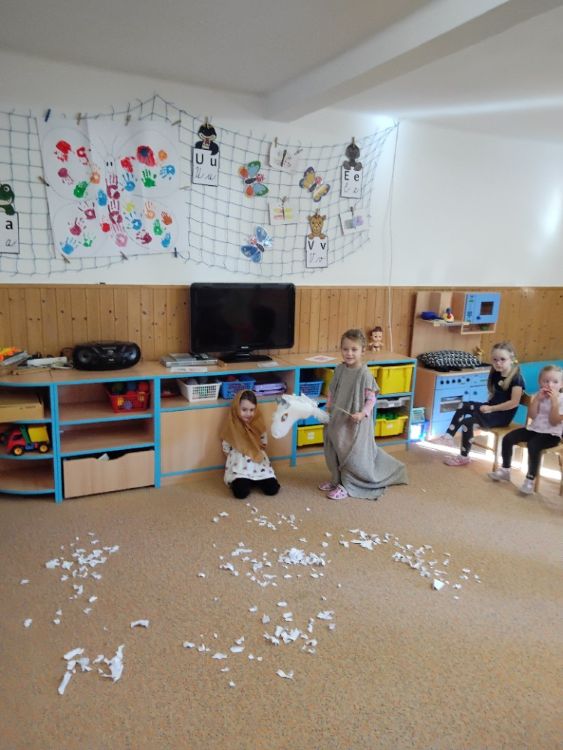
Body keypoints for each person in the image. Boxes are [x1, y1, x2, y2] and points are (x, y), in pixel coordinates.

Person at [319, 328, 408, 500]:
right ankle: (336, 479)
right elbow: (332, 391)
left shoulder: (364, 374)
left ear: (363, 351)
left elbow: (371, 399)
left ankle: (347, 485)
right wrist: (328, 408)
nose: (349, 353)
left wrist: (362, 413)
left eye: (354, 349)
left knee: (350, 454)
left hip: (356, 421)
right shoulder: (339, 369)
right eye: (345, 349)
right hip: (338, 418)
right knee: (334, 449)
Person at [436, 341, 525, 467]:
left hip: (501, 417)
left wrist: (491, 408)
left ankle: (463, 457)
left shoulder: (517, 379)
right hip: (491, 410)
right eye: (495, 360)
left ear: (512, 359)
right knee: (463, 405)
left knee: (467, 422)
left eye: (502, 359)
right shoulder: (496, 374)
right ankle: (448, 437)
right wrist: (488, 407)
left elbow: (514, 403)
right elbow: (494, 395)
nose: (498, 363)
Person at [489, 364, 562, 494]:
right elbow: (533, 416)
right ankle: (505, 470)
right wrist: (537, 400)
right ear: (540, 382)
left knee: (533, 445)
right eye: (546, 381)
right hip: (534, 429)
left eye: (555, 382)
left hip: (552, 434)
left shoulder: (561, 400)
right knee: (508, 438)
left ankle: (529, 480)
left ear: (561, 384)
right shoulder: (539, 396)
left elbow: (554, 421)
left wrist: (554, 403)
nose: (550, 385)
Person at [220, 390, 280, 499]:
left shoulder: (258, 423)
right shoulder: (232, 425)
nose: (248, 414)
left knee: (272, 489)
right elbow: (226, 447)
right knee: (240, 493)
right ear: (236, 409)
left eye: (252, 410)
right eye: (244, 410)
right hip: (240, 466)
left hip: (257, 462)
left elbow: (263, 442)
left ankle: (256, 480)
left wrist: (254, 450)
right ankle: (246, 481)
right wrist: (238, 455)